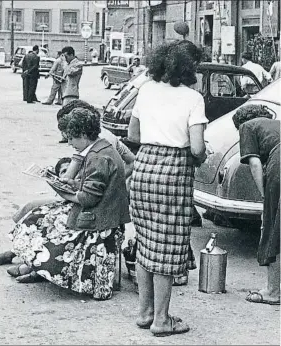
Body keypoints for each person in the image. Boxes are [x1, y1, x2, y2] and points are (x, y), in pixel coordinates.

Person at [0, 108, 131, 300]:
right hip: (102, 213)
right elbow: (94, 187)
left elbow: (88, 198)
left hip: (99, 220)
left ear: (84, 135)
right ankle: (35, 268)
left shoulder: (97, 157)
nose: (69, 143)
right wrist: (72, 184)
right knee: (40, 214)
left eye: (71, 138)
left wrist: (64, 191)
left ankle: (39, 268)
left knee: (38, 223)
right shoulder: (102, 147)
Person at [128, 40, 208, 336]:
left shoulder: (146, 89)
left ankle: (144, 312)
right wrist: (201, 154)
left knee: (145, 241)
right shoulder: (192, 98)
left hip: (144, 166)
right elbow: (197, 146)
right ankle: (162, 320)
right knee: (166, 247)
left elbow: (133, 133)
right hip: (174, 172)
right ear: (189, 68)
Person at [232, 104, 280, 305]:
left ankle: (273, 291)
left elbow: (254, 163)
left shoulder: (247, 126)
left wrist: (264, 197)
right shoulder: (276, 124)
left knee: (274, 229)